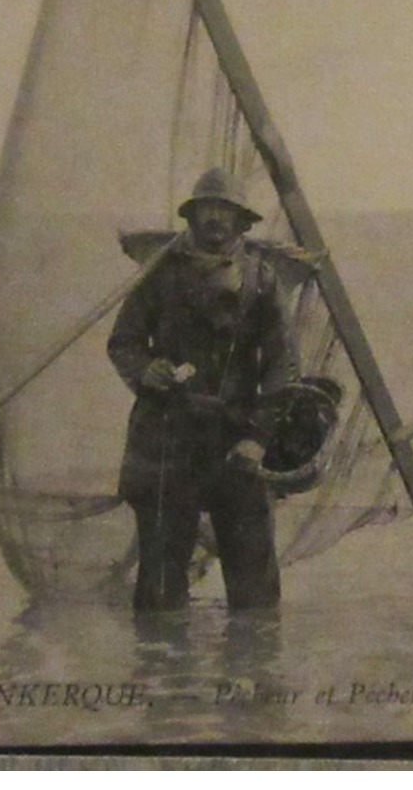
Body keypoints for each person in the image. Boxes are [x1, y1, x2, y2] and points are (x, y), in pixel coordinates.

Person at [108, 167, 297, 612]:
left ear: (242, 221)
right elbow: (123, 343)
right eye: (207, 208)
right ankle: (163, 674)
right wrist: (144, 371)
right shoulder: (158, 274)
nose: (215, 217)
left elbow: (282, 366)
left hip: (236, 441)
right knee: (158, 593)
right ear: (192, 216)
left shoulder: (262, 280)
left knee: (255, 594)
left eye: (225, 209)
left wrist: (259, 437)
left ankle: (251, 667)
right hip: (167, 437)